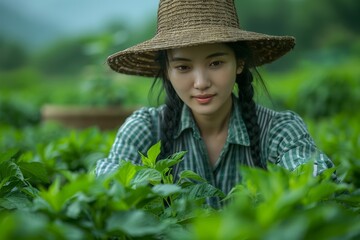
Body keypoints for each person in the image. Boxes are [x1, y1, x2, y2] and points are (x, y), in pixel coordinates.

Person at [95, 0, 334, 207]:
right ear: (167, 71)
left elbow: (316, 179)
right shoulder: (145, 130)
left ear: (239, 63)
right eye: (183, 67)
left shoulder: (279, 130)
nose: (201, 83)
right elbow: (107, 185)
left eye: (216, 63)